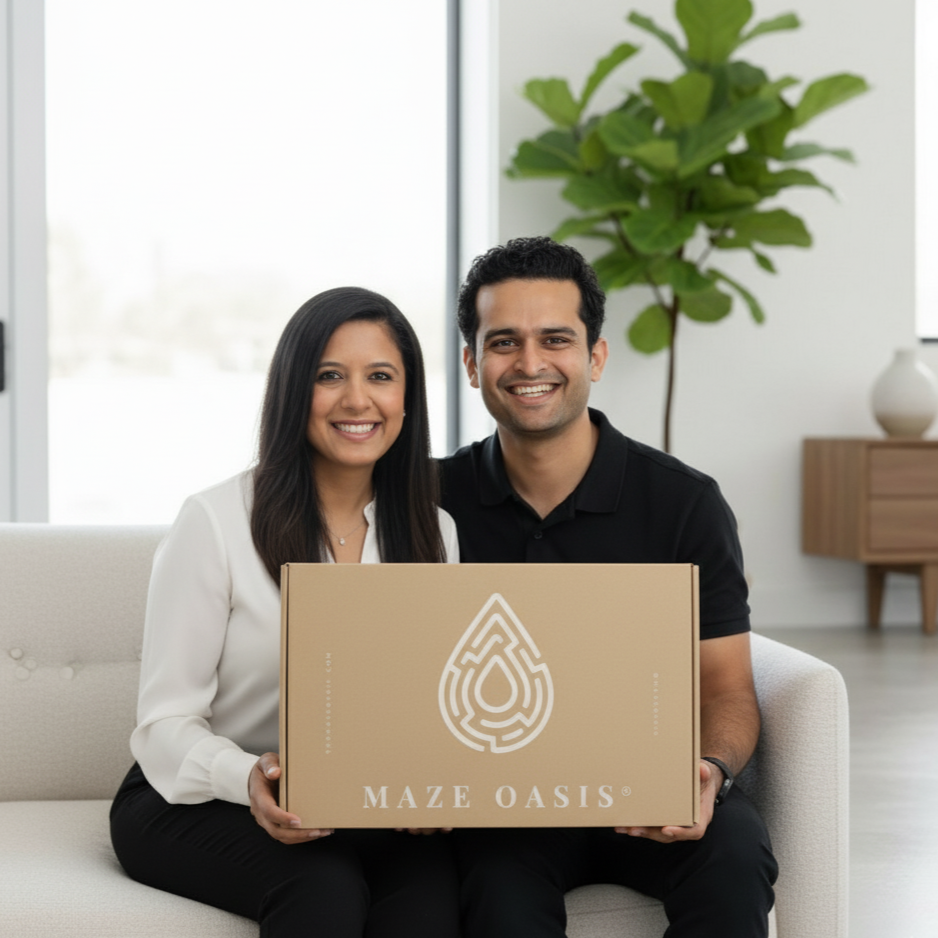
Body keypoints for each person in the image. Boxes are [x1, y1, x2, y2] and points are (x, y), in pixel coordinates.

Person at [439, 237, 778, 938]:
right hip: (504, 802)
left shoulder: (685, 504)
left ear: (595, 355)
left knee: (735, 856)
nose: (529, 364)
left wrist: (709, 769)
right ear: (472, 365)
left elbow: (727, 690)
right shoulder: (429, 500)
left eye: (555, 339)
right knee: (495, 890)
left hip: (652, 781)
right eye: (503, 342)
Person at [110, 287, 461, 938]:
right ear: (294, 391)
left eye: (380, 377)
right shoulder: (214, 522)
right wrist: (249, 778)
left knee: (432, 901)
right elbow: (163, 723)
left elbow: (428, 710)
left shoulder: (433, 532)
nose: (357, 400)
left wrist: (433, 784)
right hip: (199, 794)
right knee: (320, 884)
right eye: (330, 376)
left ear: (407, 399)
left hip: (360, 800)